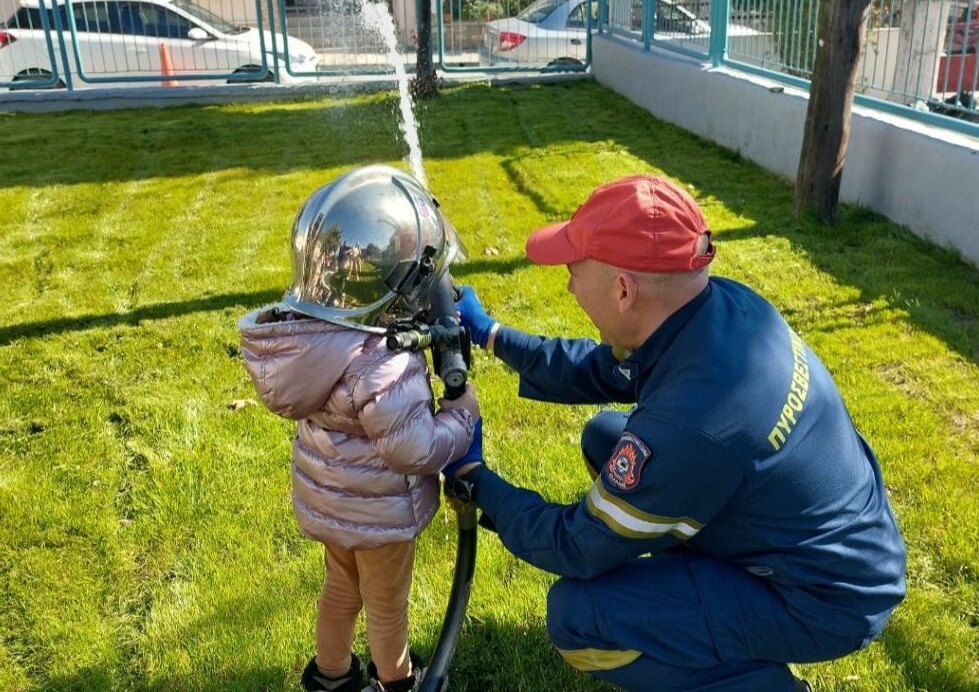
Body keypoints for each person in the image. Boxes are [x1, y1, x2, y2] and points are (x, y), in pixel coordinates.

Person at [446, 174, 907, 692]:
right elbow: (604, 370)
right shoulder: (722, 309)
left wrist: (473, 476)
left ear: (623, 289)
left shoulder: (688, 425)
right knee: (606, 435)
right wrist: (491, 335)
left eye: (574, 270)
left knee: (577, 617)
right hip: (830, 545)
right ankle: (699, 595)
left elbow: (576, 546)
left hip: (822, 600)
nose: (570, 284)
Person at [239, 165, 479, 692]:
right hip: (378, 512)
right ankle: (397, 682)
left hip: (332, 502)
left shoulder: (319, 337)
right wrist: (461, 414)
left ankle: (331, 677)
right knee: (386, 607)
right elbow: (413, 449)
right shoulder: (385, 362)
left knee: (339, 591)